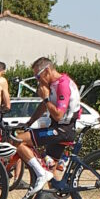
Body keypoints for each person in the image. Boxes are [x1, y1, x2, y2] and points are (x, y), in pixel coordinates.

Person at [14, 57, 81, 192]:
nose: (38, 81)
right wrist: (29, 123)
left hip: (62, 130)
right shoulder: (54, 84)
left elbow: (58, 115)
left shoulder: (62, 84)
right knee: (51, 167)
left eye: (38, 77)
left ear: (47, 71)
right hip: (58, 128)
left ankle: (40, 173)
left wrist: (45, 98)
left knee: (17, 140)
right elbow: (43, 107)